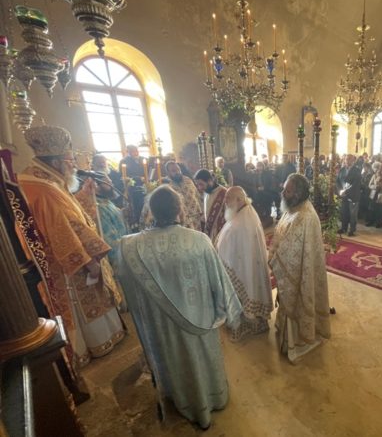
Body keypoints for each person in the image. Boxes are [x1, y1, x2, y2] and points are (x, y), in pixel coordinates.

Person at [116, 185, 241, 429]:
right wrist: (227, 312)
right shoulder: (199, 241)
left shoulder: (129, 247)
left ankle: (183, 401)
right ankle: (212, 399)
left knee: (174, 363)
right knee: (202, 362)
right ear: (180, 210)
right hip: (199, 322)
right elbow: (219, 283)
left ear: (151, 212)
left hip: (162, 328)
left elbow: (126, 284)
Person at [19, 125, 124, 368]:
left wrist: (85, 196)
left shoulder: (44, 179)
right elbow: (63, 230)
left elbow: (69, 211)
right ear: (57, 162)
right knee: (83, 300)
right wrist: (89, 260)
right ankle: (93, 345)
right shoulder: (44, 189)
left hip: (68, 254)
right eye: (70, 160)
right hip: (67, 263)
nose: (74, 165)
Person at [269, 173, 330, 363]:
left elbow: (291, 252)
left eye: (287, 191)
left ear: (298, 194)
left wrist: (274, 259)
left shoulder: (304, 216)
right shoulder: (292, 208)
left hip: (302, 272)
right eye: (284, 189)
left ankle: (298, 340)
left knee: (298, 299)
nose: (283, 193)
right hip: (295, 269)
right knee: (289, 300)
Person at [216, 187, 273, 341]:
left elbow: (231, 244)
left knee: (244, 291)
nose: (225, 202)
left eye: (228, 198)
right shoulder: (247, 212)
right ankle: (255, 321)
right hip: (245, 264)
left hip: (241, 266)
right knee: (251, 287)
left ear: (239, 199)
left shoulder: (241, 221)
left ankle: (246, 325)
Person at [165, 161, 204, 231]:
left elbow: (197, 195)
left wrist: (202, 211)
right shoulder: (167, 185)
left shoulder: (188, 180)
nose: (177, 172)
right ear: (168, 173)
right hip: (181, 219)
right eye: (173, 171)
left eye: (178, 169)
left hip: (195, 216)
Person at [194, 169, 226, 242]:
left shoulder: (224, 193)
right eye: (198, 185)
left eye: (201, 184)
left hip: (221, 235)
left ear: (209, 181)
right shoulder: (206, 193)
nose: (199, 188)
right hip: (210, 234)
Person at [337, 154, 362, 236]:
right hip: (343, 195)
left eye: (349, 159)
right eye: (346, 159)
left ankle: (352, 230)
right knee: (344, 212)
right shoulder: (342, 170)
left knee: (353, 214)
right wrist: (340, 190)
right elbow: (337, 181)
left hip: (353, 195)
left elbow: (355, 184)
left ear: (353, 160)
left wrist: (346, 191)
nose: (347, 161)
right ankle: (343, 228)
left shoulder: (357, 170)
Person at [366, 162, 382, 228]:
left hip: (381, 193)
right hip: (374, 193)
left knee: (380, 209)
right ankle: (371, 221)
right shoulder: (375, 175)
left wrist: (381, 185)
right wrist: (375, 186)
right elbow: (370, 185)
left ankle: (379, 222)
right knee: (371, 208)